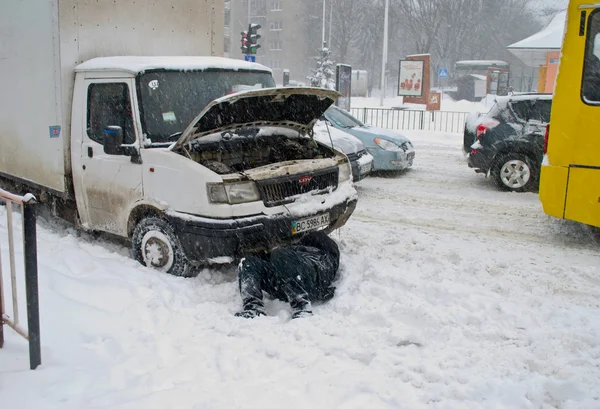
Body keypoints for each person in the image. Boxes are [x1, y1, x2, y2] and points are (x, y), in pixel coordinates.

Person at [235, 230, 340, 319]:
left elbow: (325, 274)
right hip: (282, 282)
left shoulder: (323, 258)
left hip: (305, 283)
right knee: (247, 262)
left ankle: (302, 307)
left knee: (279, 254)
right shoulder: (293, 252)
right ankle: (253, 308)